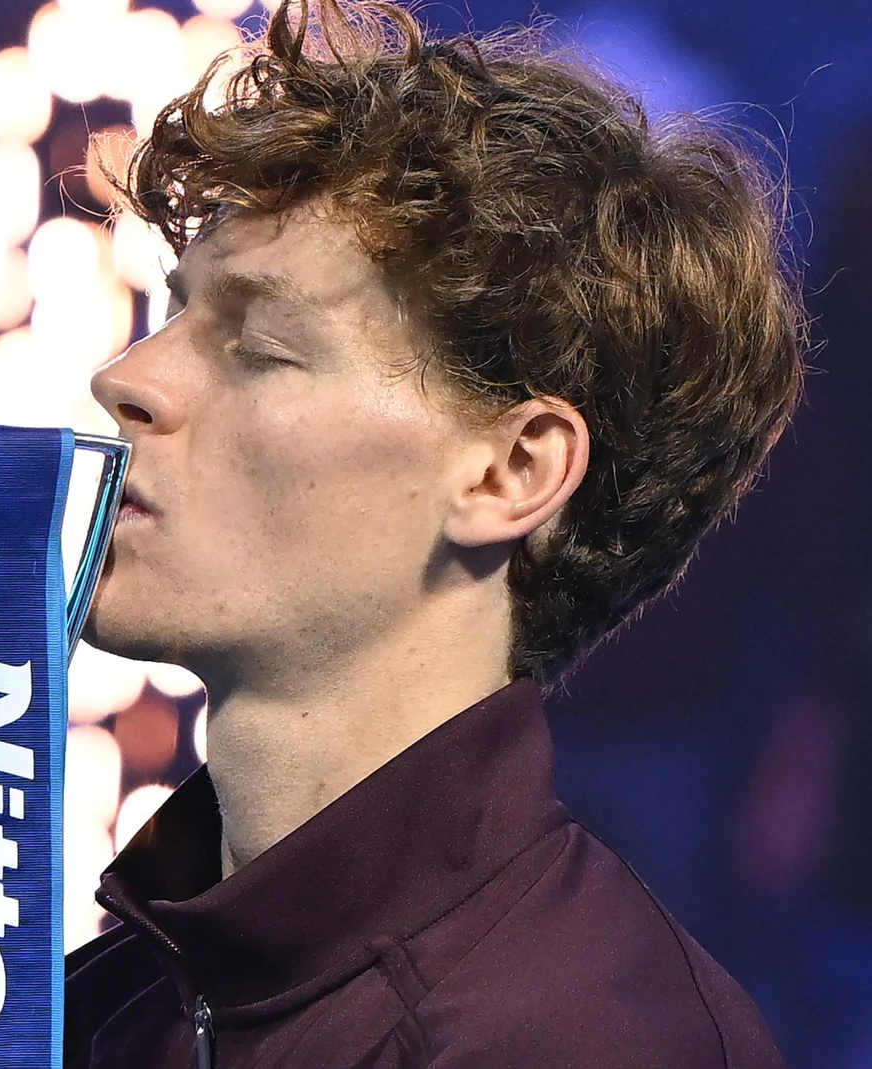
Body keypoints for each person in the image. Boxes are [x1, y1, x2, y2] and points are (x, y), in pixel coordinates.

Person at [71, 1, 805, 1066]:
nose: (124, 378)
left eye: (261, 344)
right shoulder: (117, 1001)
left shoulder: (585, 1039)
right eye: (177, 313)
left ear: (512, 471)